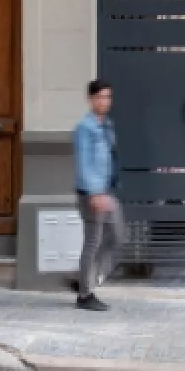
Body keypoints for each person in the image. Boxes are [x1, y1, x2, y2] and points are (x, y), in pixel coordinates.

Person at [71, 79, 123, 311]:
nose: (105, 101)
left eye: (108, 97)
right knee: (93, 242)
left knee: (117, 236)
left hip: (106, 192)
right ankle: (84, 294)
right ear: (91, 99)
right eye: (100, 97)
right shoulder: (85, 128)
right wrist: (94, 193)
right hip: (92, 194)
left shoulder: (107, 125)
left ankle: (85, 276)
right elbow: (83, 163)